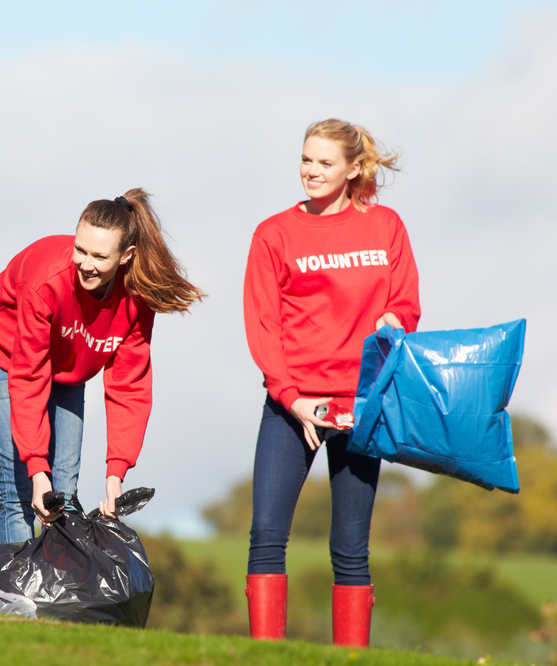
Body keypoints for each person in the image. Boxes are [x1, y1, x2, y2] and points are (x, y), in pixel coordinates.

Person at [242, 119, 421, 647]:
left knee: (350, 548)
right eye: (305, 160)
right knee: (267, 538)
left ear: (353, 169)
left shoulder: (386, 226)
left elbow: (405, 301)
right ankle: (264, 658)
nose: (311, 171)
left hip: (363, 408)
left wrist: (397, 321)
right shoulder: (273, 234)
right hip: (292, 408)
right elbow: (262, 326)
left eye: (324, 162)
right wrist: (293, 400)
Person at [0, 188, 203, 544]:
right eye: (80, 250)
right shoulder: (47, 279)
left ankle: (61, 592)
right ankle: (16, 598)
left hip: (67, 366)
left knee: (65, 492)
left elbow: (129, 386)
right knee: (21, 485)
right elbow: (29, 375)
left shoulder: (136, 299)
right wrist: (36, 466)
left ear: (126, 256)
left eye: (100, 256)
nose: (86, 264)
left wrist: (115, 474)